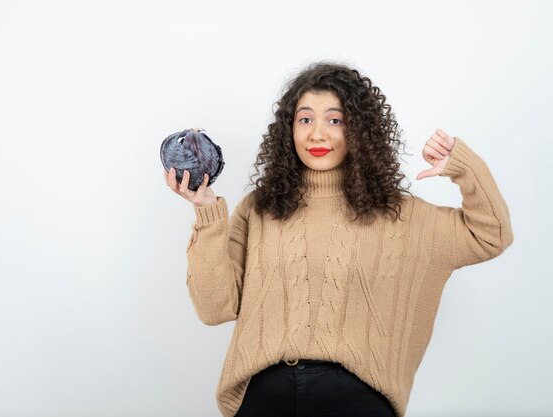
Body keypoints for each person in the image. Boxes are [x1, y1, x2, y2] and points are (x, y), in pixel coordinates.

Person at [163, 62, 513, 417]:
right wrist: (206, 210)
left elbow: (490, 235)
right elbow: (214, 308)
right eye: (305, 119)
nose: (317, 134)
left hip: (355, 398)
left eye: (335, 120)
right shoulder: (259, 208)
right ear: (289, 129)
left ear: (359, 130)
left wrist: (465, 167)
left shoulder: (401, 214)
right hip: (265, 396)